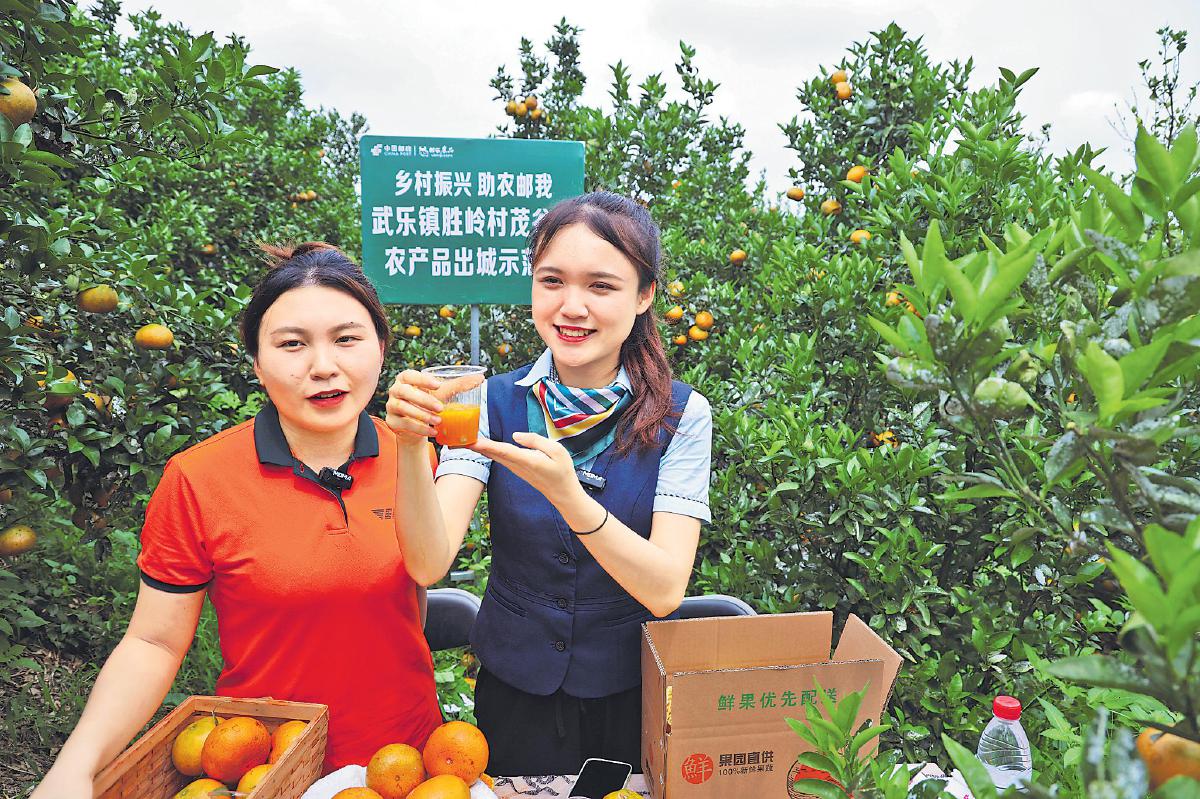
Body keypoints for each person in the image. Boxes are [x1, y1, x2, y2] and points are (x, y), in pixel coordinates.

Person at [33, 242, 445, 796]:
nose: (324, 366)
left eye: (347, 339)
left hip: (407, 766)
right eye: (292, 344)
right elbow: (154, 642)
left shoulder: (413, 457)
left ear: (381, 347)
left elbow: (410, 595)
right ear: (257, 363)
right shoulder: (199, 479)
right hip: (263, 767)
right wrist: (75, 768)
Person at [385, 192, 713, 775]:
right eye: (552, 281)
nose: (572, 306)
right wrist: (411, 446)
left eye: (601, 286)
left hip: (629, 694)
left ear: (644, 296)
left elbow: (665, 589)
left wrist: (569, 496)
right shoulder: (488, 400)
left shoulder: (681, 416)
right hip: (515, 692)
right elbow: (429, 562)